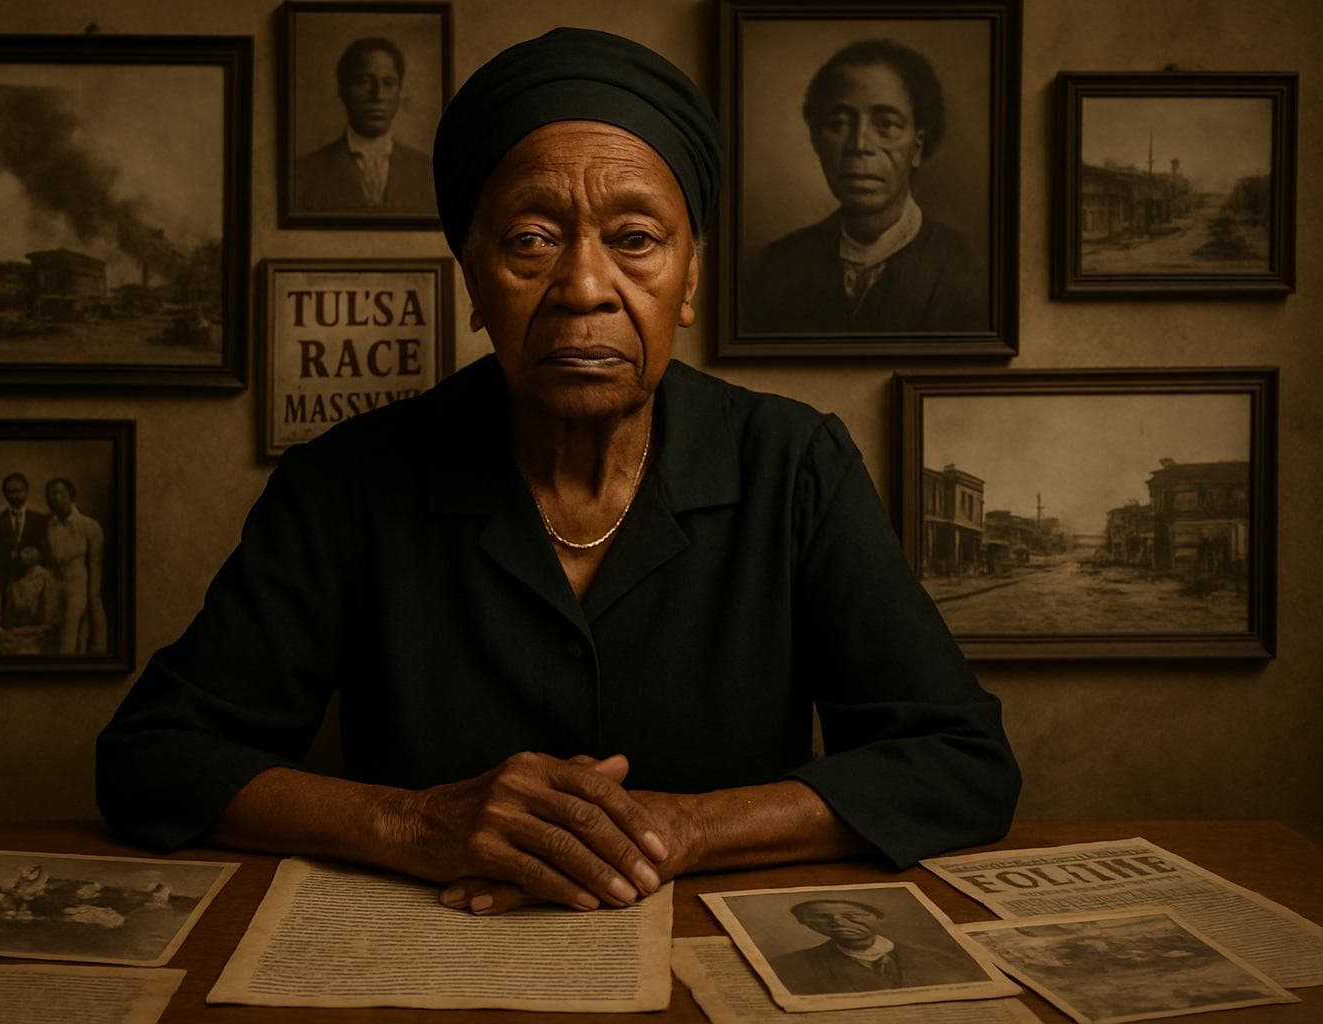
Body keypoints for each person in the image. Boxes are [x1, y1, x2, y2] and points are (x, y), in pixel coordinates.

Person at [97, 27, 1018, 917]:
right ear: (473, 277)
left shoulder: (793, 467)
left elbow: (957, 761)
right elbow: (153, 758)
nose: (583, 286)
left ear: (689, 279)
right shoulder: (347, 484)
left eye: (635, 238)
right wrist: (414, 823)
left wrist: (686, 828)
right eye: (532, 239)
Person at [742, 38, 986, 334]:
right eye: (839, 124)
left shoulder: (965, 270)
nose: (859, 145)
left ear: (918, 145)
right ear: (817, 141)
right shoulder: (778, 267)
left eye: (886, 124)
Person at [292, 36, 435, 214]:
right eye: (364, 82)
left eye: (388, 83)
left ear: (399, 94)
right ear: (343, 92)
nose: (378, 95)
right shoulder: (305, 173)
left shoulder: (428, 172)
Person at [768, 898, 987, 993]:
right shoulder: (787, 966)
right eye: (821, 918)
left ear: (877, 917)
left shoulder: (941, 959)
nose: (838, 922)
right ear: (805, 924)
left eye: (851, 915)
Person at [45, 477, 108, 654]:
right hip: (56, 583)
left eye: (59, 493)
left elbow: (95, 564)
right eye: (50, 494)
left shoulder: (89, 526)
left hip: (80, 581)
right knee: (56, 627)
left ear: (71, 496)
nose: (54, 498)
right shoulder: (50, 526)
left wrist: (92, 593)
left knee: (74, 625)